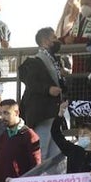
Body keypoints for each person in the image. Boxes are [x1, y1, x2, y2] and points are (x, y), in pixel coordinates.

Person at [18, 28, 65, 160]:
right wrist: (48, 89)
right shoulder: (34, 61)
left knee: (55, 153)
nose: (57, 40)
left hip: (54, 112)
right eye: (54, 38)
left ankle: (51, 179)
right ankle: (37, 179)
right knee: (41, 151)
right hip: (43, 113)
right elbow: (31, 82)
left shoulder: (54, 61)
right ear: (45, 41)